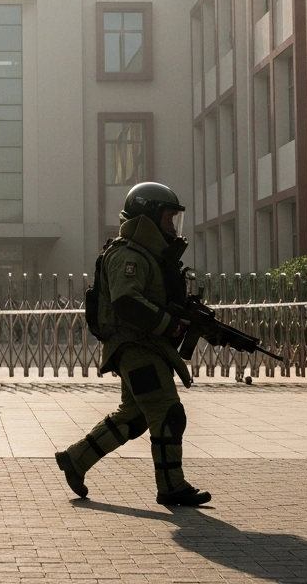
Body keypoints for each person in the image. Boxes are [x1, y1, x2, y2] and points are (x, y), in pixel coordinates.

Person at [55, 181, 214, 507]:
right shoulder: (127, 255)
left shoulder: (149, 255)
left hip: (145, 347)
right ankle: (172, 486)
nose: (173, 226)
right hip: (134, 348)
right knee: (168, 413)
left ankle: (76, 459)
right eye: (168, 217)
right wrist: (171, 325)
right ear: (148, 217)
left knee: (136, 415)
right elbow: (127, 301)